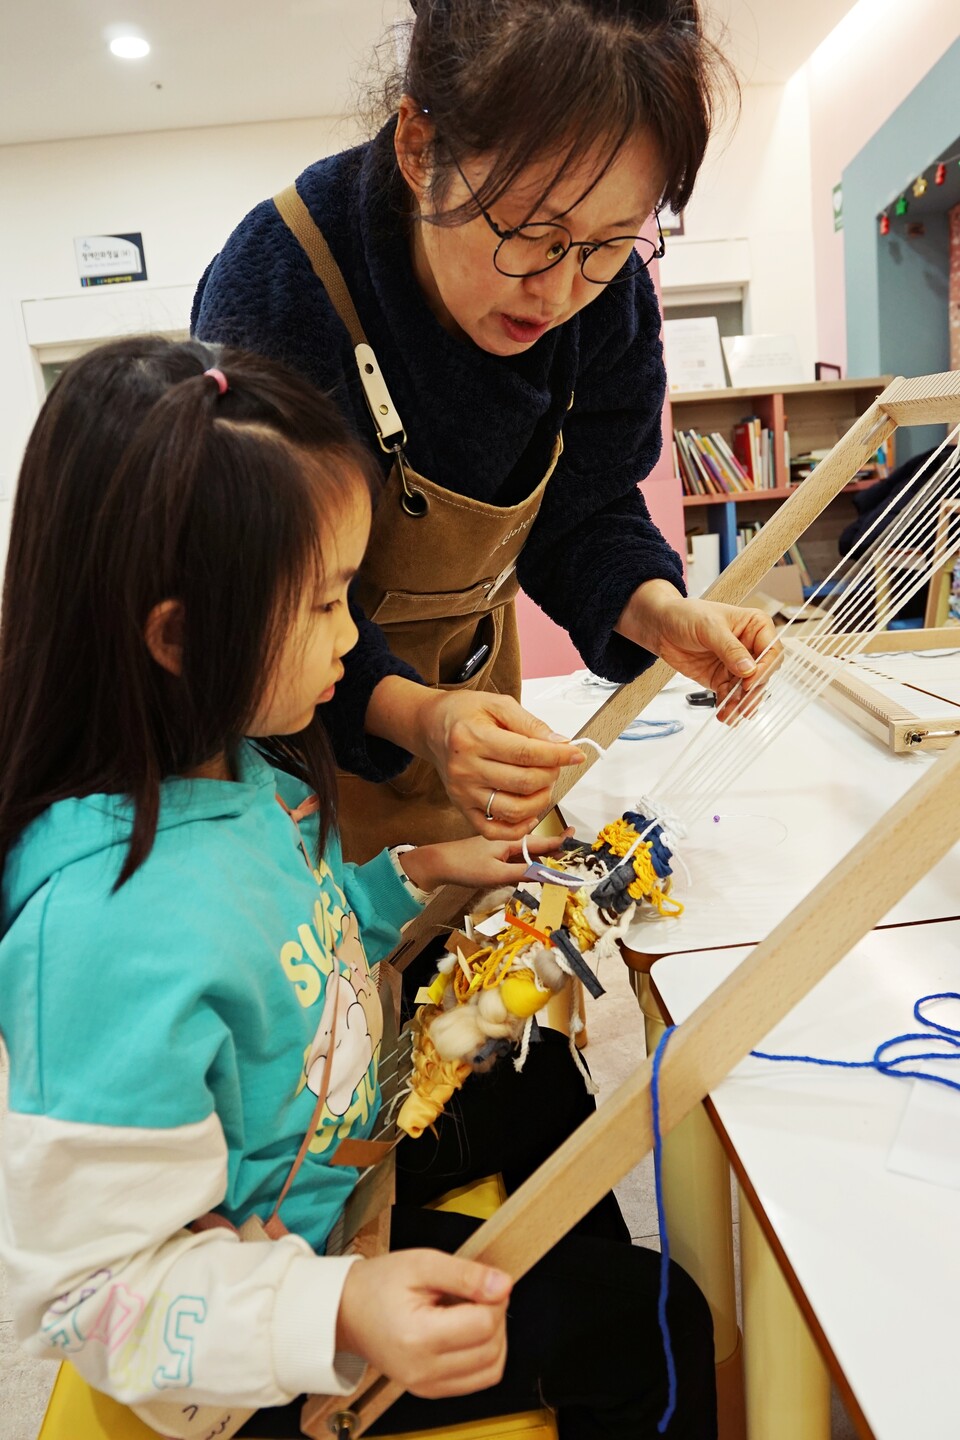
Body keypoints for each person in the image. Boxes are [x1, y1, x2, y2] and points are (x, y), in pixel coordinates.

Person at [0, 338, 717, 1439]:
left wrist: (419, 872)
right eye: (328, 602)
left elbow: (296, 925)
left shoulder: (234, 771)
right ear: (180, 636)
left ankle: (528, 1325)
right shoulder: (104, 930)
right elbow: (91, 1299)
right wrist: (339, 1308)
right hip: (253, 1353)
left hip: (331, 1180)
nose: (356, 637)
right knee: (655, 1319)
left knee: (542, 1097)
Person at [192, 0, 777, 864]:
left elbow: (586, 507)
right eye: (532, 233)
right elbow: (264, 606)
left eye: (611, 243)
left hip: (472, 720)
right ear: (419, 146)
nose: (560, 290)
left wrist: (659, 614)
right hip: (298, 758)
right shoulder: (283, 284)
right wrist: (420, 717)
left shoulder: (604, 295)